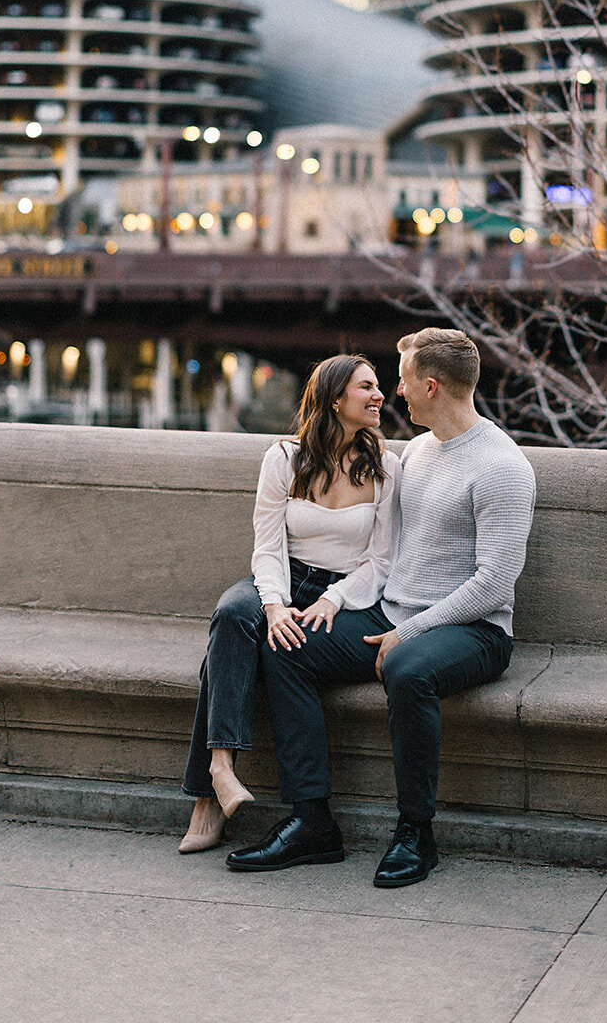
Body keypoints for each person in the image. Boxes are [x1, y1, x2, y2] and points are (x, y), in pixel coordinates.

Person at [226, 326, 536, 887]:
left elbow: (494, 584)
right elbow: (379, 550)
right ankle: (311, 820)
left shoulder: (501, 466)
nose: (395, 392)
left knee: (405, 668)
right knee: (287, 644)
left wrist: (411, 631)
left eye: (404, 380)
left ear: (433, 387)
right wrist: (333, 601)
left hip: (475, 630)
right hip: (391, 612)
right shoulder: (413, 453)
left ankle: (416, 832)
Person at [178, 353, 400, 854]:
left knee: (264, 652)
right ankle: (220, 768)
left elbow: (382, 562)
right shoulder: (283, 457)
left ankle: (206, 797)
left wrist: (334, 599)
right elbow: (268, 547)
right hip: (283, 576)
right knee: (235, 616)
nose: (379, 395)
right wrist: (275, 606)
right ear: (335, 398)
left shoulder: (387, 467)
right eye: (366, 387)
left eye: (379, 386)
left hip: (348, 592)